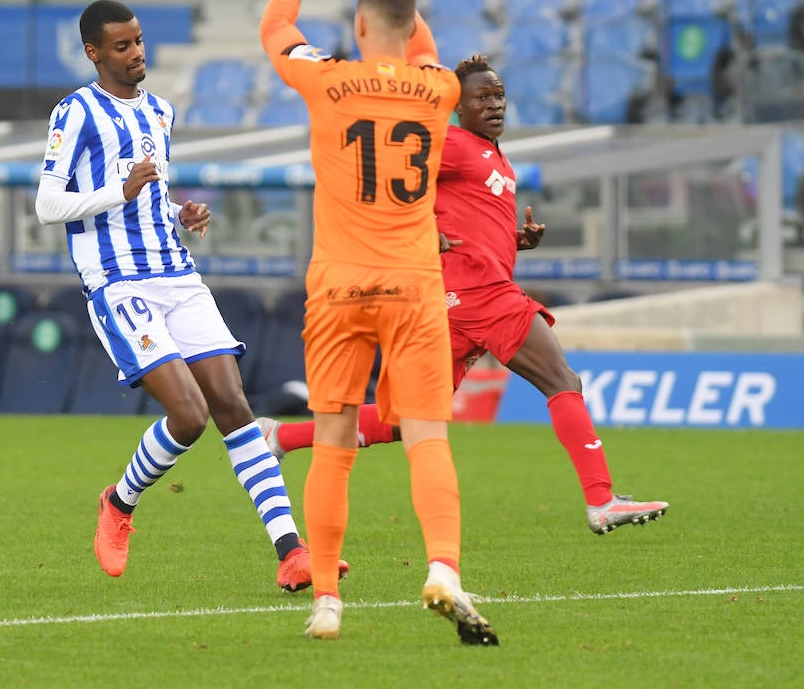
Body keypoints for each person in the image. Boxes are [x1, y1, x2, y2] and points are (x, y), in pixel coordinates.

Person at [258, 54, 669, 536]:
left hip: (455, 299)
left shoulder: (493, 154)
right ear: (459, 106)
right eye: (482, 97)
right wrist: (419, 225)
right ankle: (601, 500)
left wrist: (514, 240)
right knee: (562, 380)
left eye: (498, 95)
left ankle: (281, 436)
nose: (494, 105)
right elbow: (383, 177)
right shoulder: (449, 143)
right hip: (480, 292)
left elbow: (468, 218)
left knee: (402, 422)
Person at [34, 0, 347, 592]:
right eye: (121, 46)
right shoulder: (74, 114)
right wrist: (116, 193)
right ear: (94, 53)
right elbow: (48, 205)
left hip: (177, 274)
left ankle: (291, 551)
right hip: (118, 281)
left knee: (234, 406)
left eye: (139, 41)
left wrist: (181, 212)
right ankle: (119, 503)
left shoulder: (160, 111)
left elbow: (151, 193)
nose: (136, 53)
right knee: (189, 414)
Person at [259, 0, 497, 643]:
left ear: (358, 28)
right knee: (427, 435)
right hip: (414, 286)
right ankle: (444, 568)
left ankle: (327, 599)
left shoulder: (327, 79)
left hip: (338, 285)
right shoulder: (438, 89)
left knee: (333, 443)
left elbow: (275, 28)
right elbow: (421, 45)